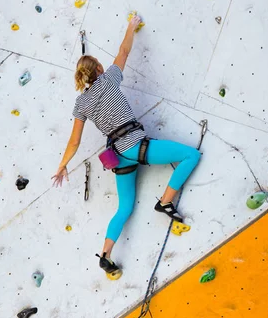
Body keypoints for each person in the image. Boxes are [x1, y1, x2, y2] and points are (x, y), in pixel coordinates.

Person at [52, 16, 201, 279]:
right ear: (98, 68)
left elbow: (74, 142)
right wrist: (131, 26)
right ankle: (165, 202)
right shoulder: (109, 79)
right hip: (136, 145)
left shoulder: (80, 105)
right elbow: (123, 51)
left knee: (124, 208)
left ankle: (106, 255)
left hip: (119, 157)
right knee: (191, 155)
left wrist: (63, 166)